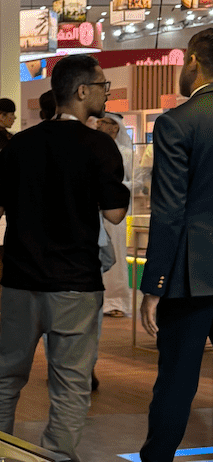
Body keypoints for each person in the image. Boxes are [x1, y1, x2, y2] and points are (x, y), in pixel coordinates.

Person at [0, 56, 128, 462]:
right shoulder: (100, 146)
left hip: (20, 282)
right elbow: (115, 214)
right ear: (81, 91)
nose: (106, 92)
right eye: (102, 85)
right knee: (70, 385)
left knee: (5, 379)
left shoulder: (20, 145)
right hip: (75, 286)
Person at [114, 29, 213, 462]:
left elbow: (169, 212)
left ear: (193, 61)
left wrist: (152, 285)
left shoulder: (178, 122)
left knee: (177, 379)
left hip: (193, 273)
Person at [96, 113, 134, 317]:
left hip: (116, 209)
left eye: (105, 122)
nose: (99, 124)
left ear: (115, 127)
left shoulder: (126, 153)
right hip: (94, 209)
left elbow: (136, 181)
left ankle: (116, 301)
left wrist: (114, 188)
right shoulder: (94, 148)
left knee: (116, 255)